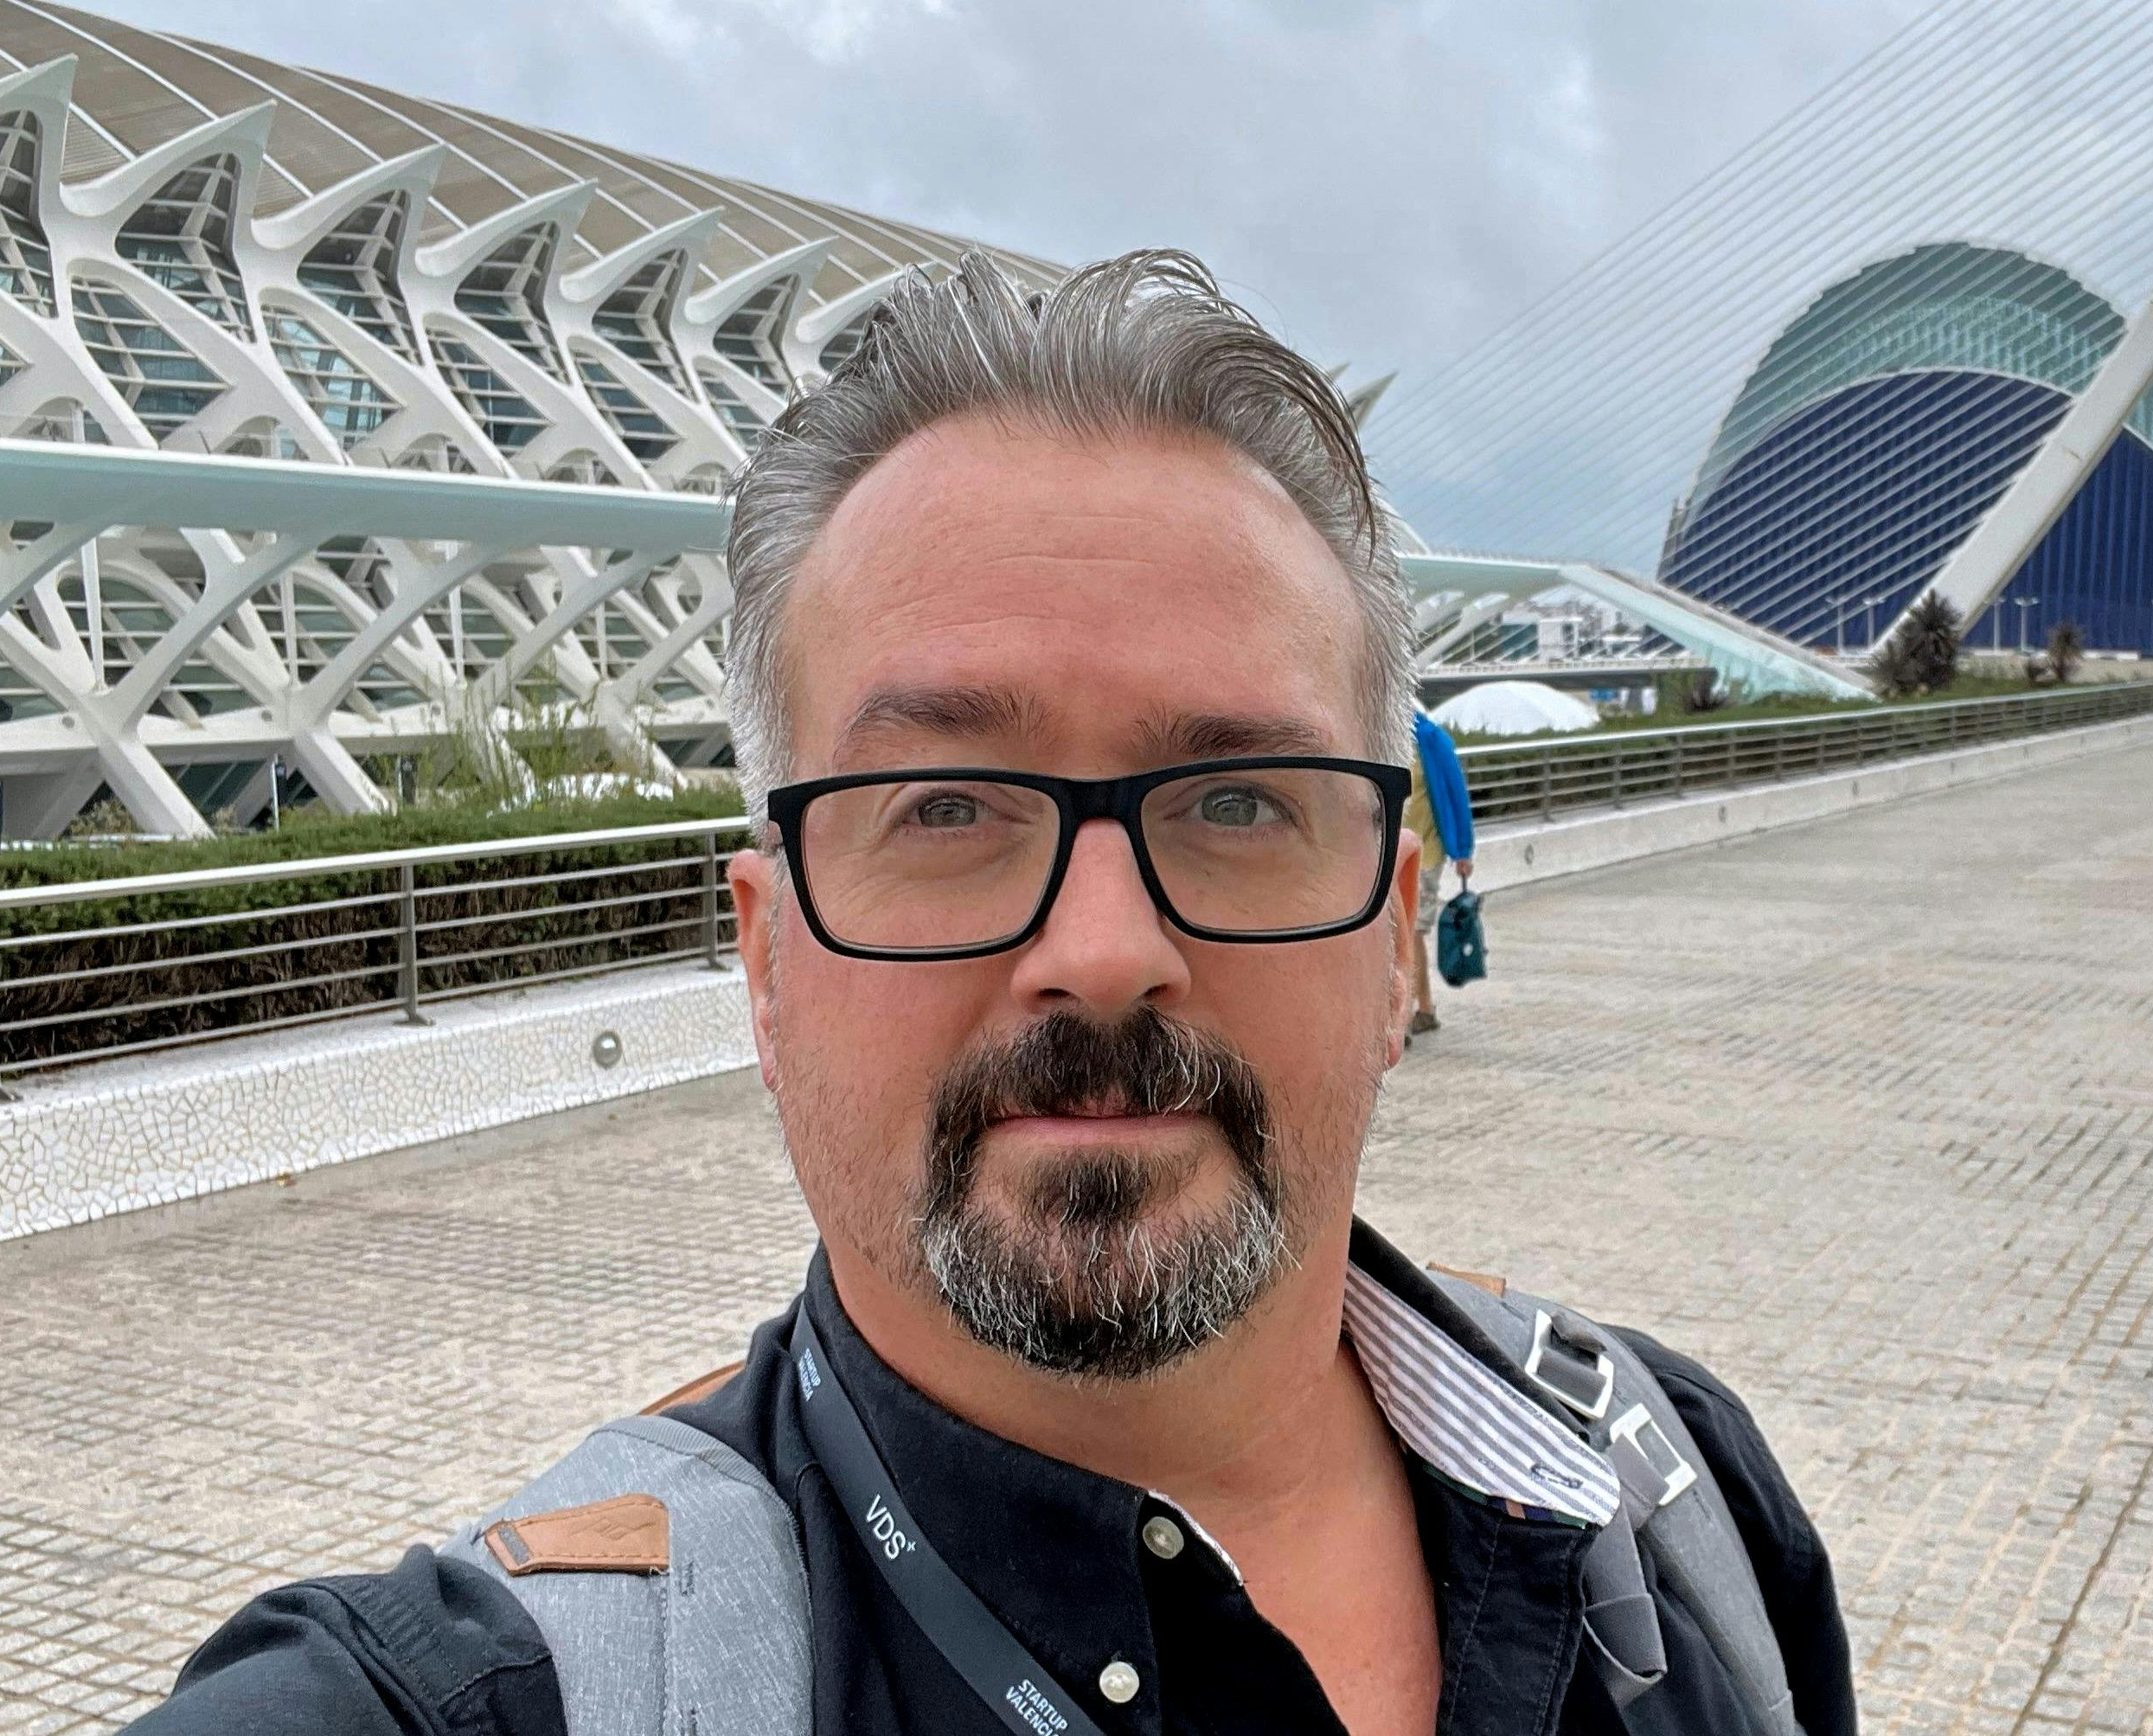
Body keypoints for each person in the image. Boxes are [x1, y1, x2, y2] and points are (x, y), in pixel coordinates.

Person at [124, 253, 1853, 1736]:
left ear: (1397, 932)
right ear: (770, 955)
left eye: (1236, 801)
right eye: (944, 806)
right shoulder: (498, 1692)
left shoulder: (1687, 1514)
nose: (1103, 948)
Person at [1403, 708, 1473, 1038]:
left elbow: (1456, 796)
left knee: (1410, 931)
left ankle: (1405, 1016)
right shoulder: (1377, 737)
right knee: (1401, 932)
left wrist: (1463, 850)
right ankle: (1425, 1009)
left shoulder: (1432, 741)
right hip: (1388, 852)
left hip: (1426, 852)